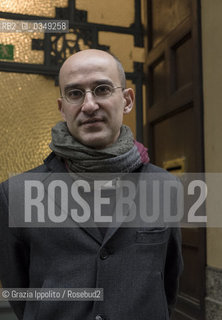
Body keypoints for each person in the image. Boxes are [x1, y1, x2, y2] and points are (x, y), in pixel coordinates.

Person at [0, 49, 183, 320]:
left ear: (127, 100)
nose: (89, 105)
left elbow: (167, 282)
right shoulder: (15, 193)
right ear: (63, 108)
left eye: (102, 89)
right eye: (75, 94)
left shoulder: (165, 187)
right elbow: (19, 288)